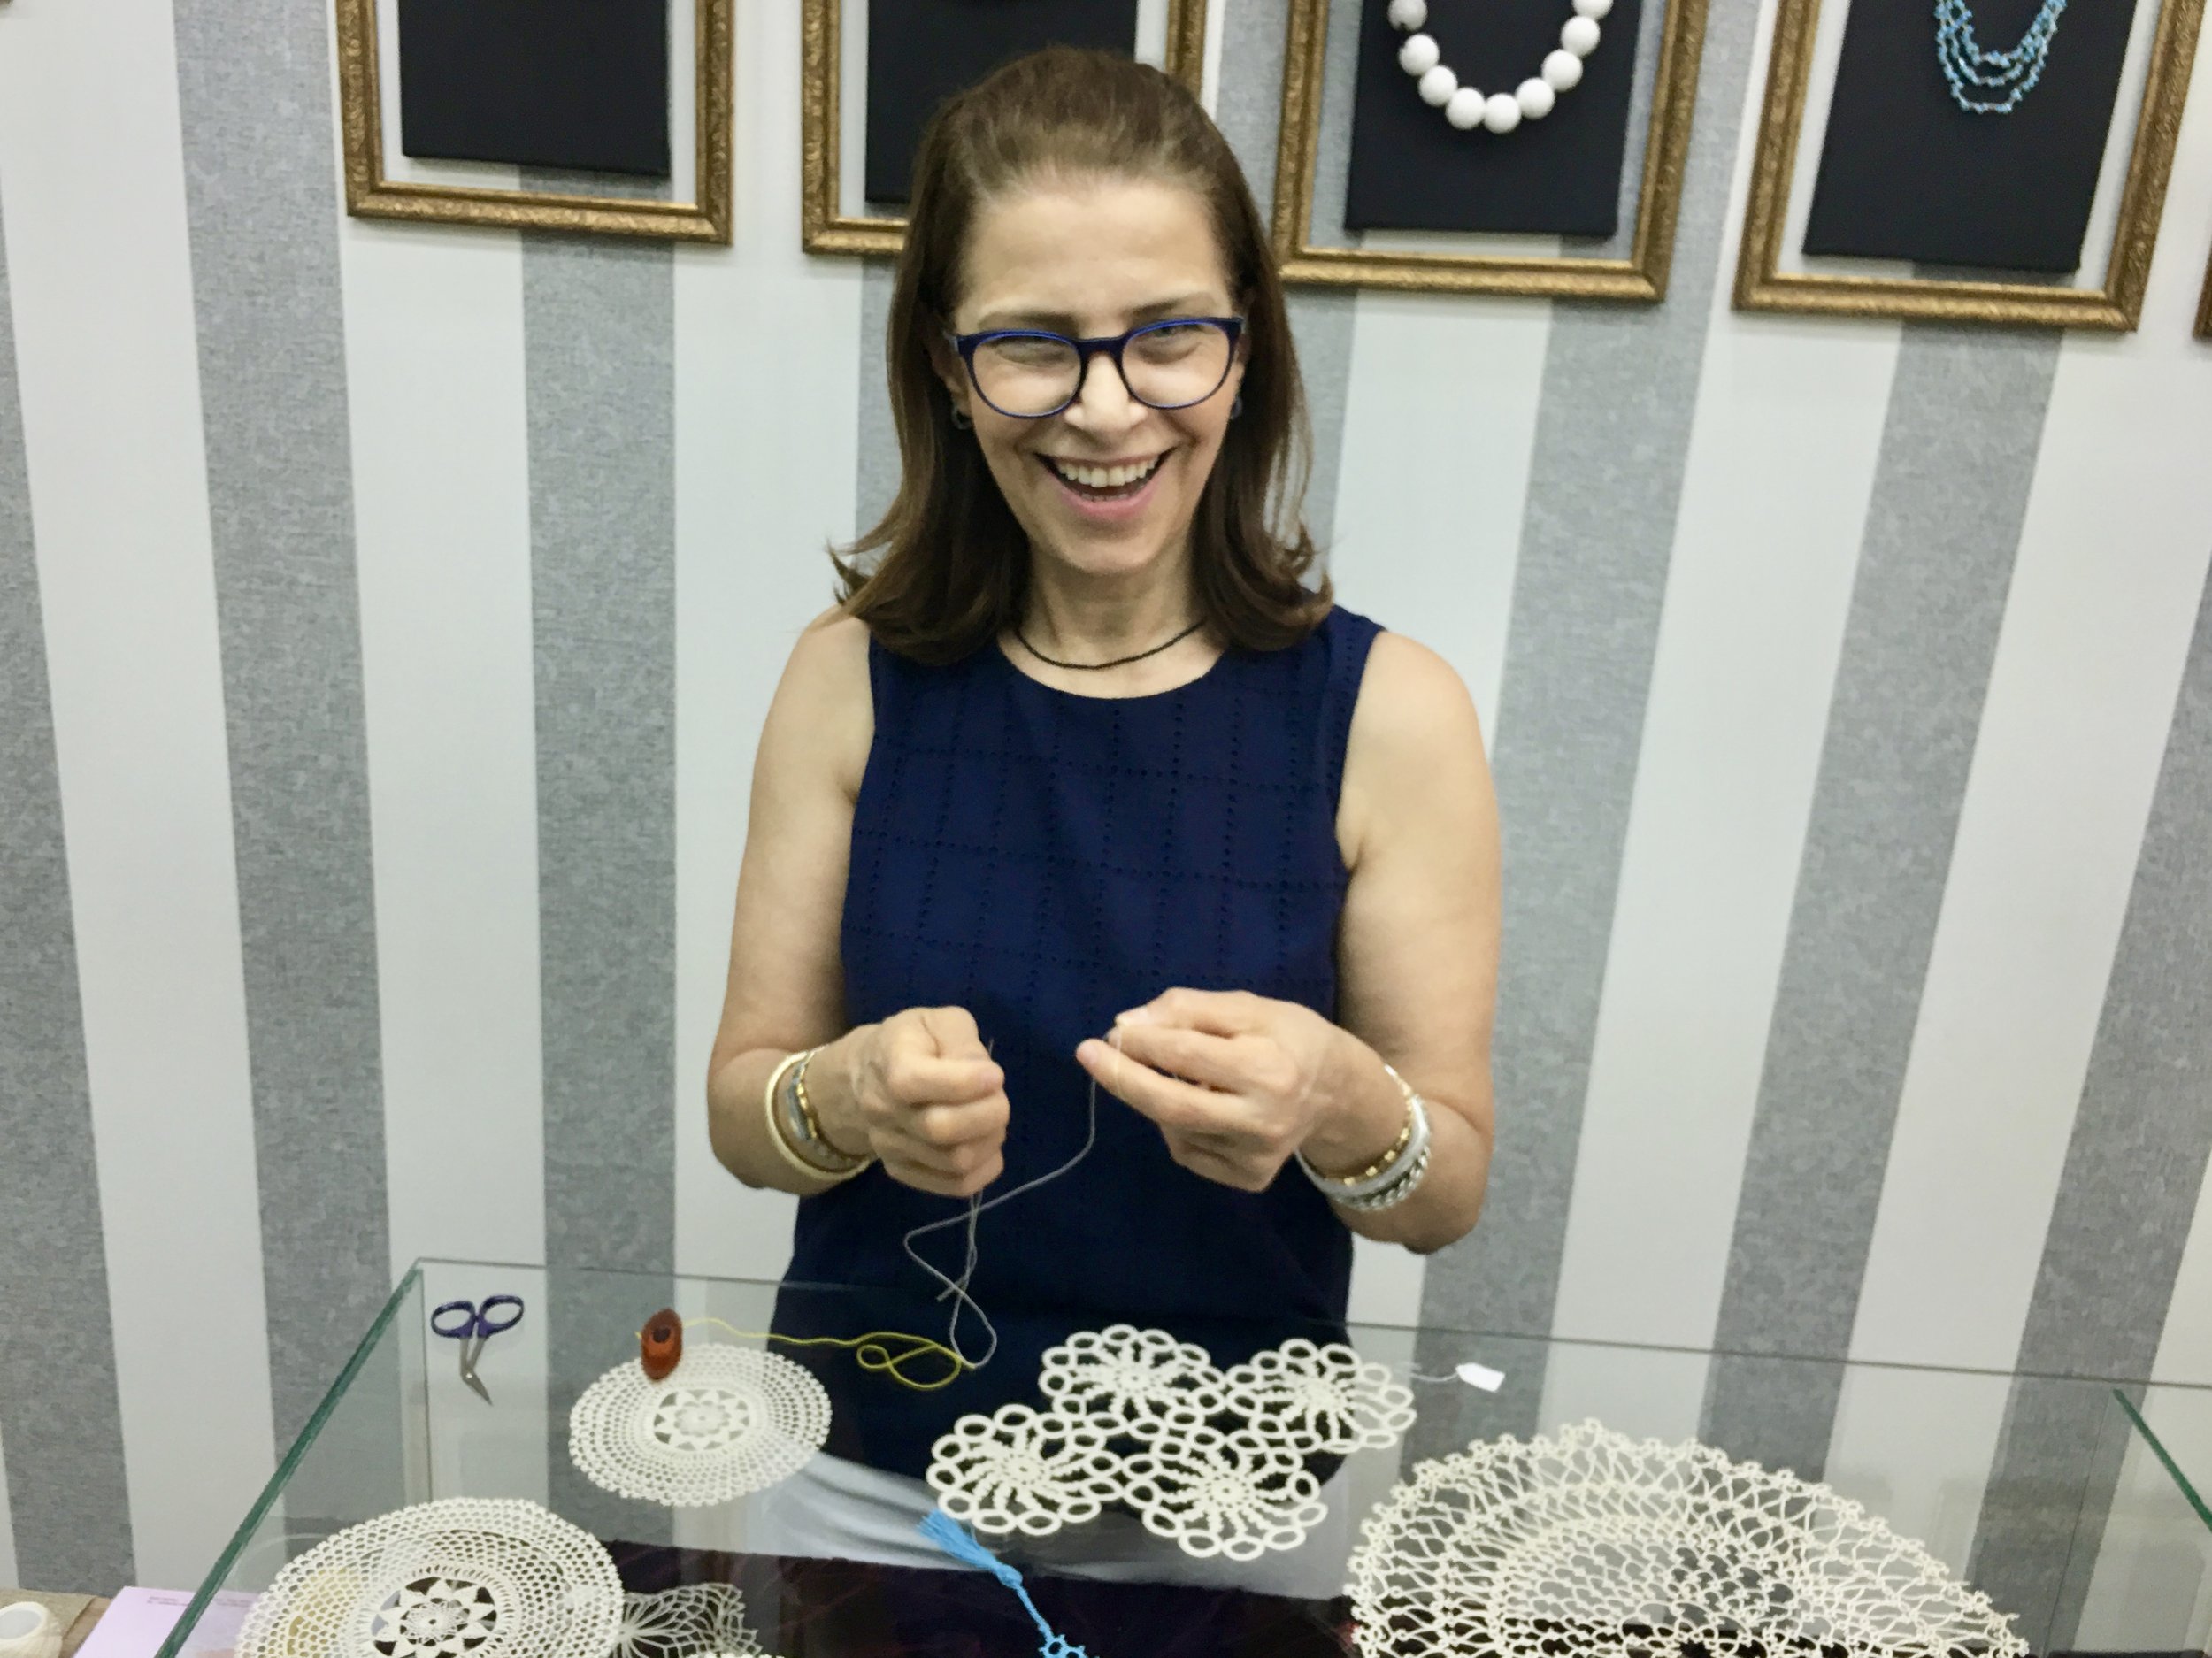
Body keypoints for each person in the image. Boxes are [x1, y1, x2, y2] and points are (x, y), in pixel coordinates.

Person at [705, 45, 1500, 1580]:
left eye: (1166, 338)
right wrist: (847, 1096)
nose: (1105, 406)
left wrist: (1338, 1099)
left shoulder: (1395, 715)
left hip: (1241, 1518)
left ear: (1247, 346)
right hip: (875, 1499)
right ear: (947, 365)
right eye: (1033, 345)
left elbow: (1443, 1186)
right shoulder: (847, 678)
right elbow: (747, 1112)